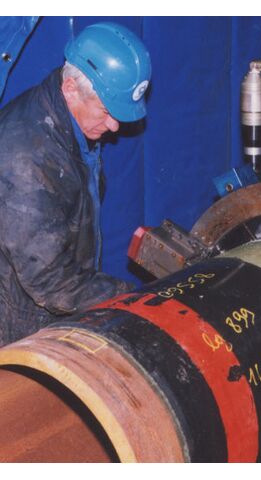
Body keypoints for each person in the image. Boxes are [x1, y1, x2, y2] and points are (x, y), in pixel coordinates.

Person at [0, 22, 152, 346]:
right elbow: (51, 283)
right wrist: (128, 299)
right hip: (17, 328)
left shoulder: (69, 121)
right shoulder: (25, 160)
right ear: (70, 88)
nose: (114, 126)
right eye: (107, 111)